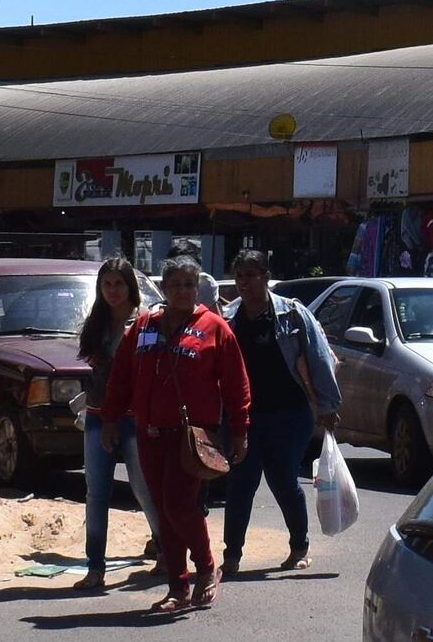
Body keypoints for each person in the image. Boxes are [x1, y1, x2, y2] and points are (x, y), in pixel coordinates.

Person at [101, 253, 250, 611]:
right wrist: (109, 419)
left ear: (196, 286)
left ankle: (206, 567)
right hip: (149, 433)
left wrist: (241, 430)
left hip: (192, 437)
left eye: (189, 284)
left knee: (178, 505)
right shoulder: (144, 325)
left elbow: (236, 384)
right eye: (176, 285)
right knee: (163, 510)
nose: (183, 291)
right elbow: (121, 375)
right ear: (164, 289)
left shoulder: (215, 327)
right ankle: (177, 587)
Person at [222, 249, 341, 577]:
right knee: (241, 482)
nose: (244, 282)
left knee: (283, 479)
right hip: (245, 416)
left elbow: (318, 358)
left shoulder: (292, 314)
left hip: (290, 413)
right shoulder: (229, 318)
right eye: (240, 276)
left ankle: (299, 545)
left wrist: (328, 406)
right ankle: (231, 555)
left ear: (266, 276)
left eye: (251, 275)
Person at [73, 254, 162, 589]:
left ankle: (164, 550)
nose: (112, 290)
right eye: (106, 284)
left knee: (143, 490)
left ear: (130, 287)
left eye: (118, 284)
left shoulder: (146, 322)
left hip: (134, 418)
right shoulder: (94, 323)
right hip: (98, 416)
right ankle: (95, 567)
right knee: (96, 493)